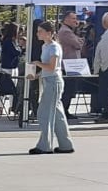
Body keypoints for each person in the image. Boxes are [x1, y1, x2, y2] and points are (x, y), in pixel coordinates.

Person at [28, 20, 75, 155]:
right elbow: (48, 69)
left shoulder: (54, 47)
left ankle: (45, 145)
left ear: (49, 33)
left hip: (53, 82)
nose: (38, 34)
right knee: (57, 115)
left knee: (44, 113)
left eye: (40, 31)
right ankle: (66, 144)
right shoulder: (45, 46)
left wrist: (38, 63)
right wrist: (36, 75)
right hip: (49, 80)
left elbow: (52, 67)